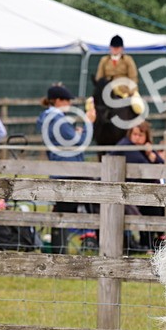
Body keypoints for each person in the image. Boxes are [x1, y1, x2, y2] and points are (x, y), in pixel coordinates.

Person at [37, 83, 96, 252]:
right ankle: (70, 245)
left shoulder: (46, 118)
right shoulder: (58, 120)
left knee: (62, 208)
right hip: (71, 168)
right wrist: (88, 124)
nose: (69, 103)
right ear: (57, 101)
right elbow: (79, 142)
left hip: (59, 166)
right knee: (77, 206)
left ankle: (59, 247)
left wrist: (76, 132)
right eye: (66, 100)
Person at [112, 121, 165, 253]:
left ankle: (152, 242)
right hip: (121, 191)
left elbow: (161, 164)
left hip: (136, 190)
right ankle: (150, 243)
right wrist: (149, 155)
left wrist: (150, 153)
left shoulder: (140, 149)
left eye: (140, 135)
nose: (136, 138)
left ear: (146, 137)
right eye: (134, 134)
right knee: (152, 204)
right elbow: (146, 167)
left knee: (153, 203)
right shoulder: (127, 147)